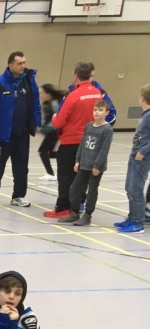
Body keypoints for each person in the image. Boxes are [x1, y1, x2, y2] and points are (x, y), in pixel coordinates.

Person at [0, 52, 41, 208]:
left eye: (24, 62)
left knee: (21, 168)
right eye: (19, 63)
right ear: (10, 65)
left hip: (22, 134)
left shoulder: (28, 81)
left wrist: (36, 122)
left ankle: (18, 196)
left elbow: (35, 102)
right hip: (3, 135)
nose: (23, 66)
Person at [46, 62, 104, 220]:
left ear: (75, 75)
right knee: (81, 177)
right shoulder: (97, 93)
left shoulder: (73, 95)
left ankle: (63, 208)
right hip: (89, 141)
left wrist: (55, 118)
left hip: (71, 141)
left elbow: (59, 122)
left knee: (65, 176)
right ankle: (77, 207)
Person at [61, 99, 113, 227]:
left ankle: (88, 215)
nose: (97, 112)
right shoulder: (89, 126)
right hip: (84, 163)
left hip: (95, 167)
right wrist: (78, 160)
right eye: (95, 110)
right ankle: (75, 212)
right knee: (75, 188)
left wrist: (97, 165)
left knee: (92, 191)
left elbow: (104, 150)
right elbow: (82, 144)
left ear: (106, 112)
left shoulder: (107, 129)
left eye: (100, 110)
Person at [116, 83, 150, 235]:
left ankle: (137, 223)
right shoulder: (145, 114)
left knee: (136, 190)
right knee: (129, 188)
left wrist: (142, 151)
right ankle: (132, 217)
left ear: (142, 98)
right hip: (135, 155)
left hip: (143, 157)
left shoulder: (149, 115)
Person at [37, 84, 63, 181]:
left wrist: (43, 129)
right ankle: (68, 157)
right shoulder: (46, 103)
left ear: (48, 94)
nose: (40, 95)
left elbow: (56, 119)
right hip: (51, 131)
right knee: (50, 153)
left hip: (54, 131)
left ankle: (50, 173)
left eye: (42, 93)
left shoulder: (54, 103)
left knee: (42, 151)